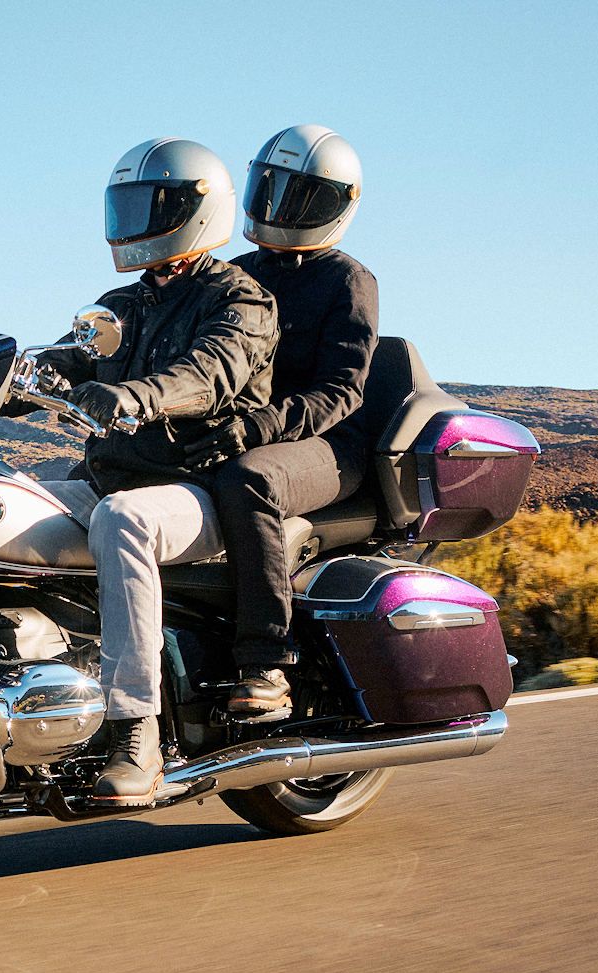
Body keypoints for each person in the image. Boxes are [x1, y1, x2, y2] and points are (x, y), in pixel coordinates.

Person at [26, 137, 279, 802]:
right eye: (126, 208)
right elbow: (65, 358)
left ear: (196, 210)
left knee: (123, 520)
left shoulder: (241, 301)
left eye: (150, 207)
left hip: (197, 492)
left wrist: (138, 395)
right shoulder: (122, 305)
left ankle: (136, 731)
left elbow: (211, 372)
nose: (133, 223)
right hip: (110, 478)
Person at [182, 125, 379, 716]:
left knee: (250, 480)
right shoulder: (235, 272)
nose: (278, 206)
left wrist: (259, 427)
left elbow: (341, 391)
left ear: (336, 203)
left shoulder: (348, 281)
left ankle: (265, 663)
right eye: (271, 188)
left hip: (328, 446)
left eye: (299, 195)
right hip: (244, 430)